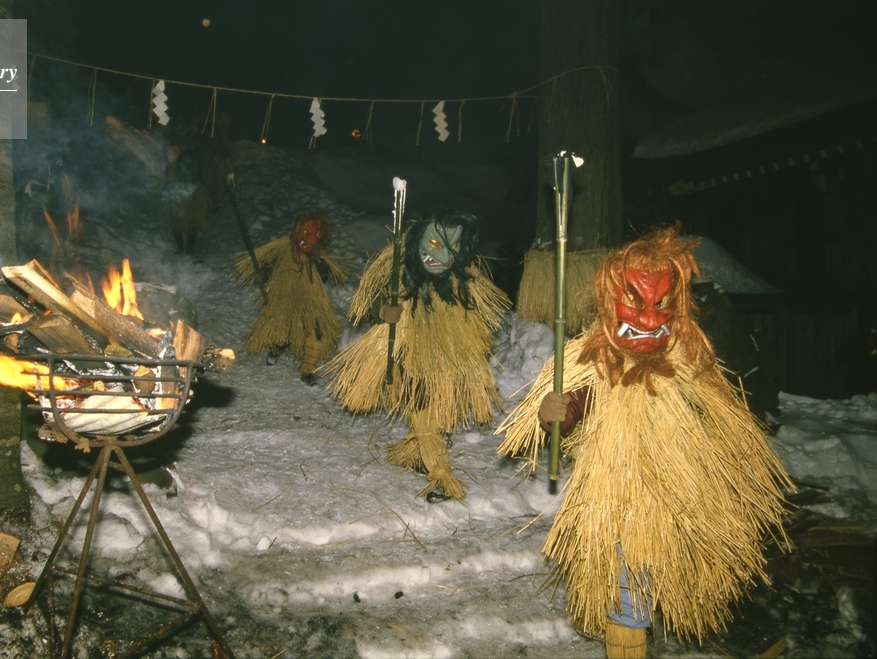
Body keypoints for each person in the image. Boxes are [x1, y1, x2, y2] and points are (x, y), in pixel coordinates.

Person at [497, 225, 792, 658]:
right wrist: (556, 412)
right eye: (634, 302)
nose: (650, 320)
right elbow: (574, 405)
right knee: (629, 580)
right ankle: (626, 638)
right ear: (608, 300)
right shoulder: (595, 364)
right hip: (622, 497)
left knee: (684, 566)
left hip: (684, 495)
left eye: (662, 304)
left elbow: (722, 417)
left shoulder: (688, 360)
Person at [324, 210, 510, 502]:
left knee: (430, 416)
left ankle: (417, 452)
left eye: (453, 246)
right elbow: (375, 305)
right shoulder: (399, 278)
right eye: (435, 244)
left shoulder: (464, 283)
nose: (443, 255)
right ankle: (441, 477)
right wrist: (384, 312)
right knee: (424, 415)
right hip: (412, 360)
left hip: (448, 363)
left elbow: (477, 325)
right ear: (418, 242)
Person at [236, 212, 348, 385]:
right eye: (307, 234)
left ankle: (308, 369)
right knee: (283, 331)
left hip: (311, 299)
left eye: (316, 234)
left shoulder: (319, 254)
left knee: (316, 333)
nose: (311, 239)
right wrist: (263, 274)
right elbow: (270, 266)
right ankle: (276, 350)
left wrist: (318, 260)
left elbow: (323, 277)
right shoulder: (284, 249)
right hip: (285, 296)